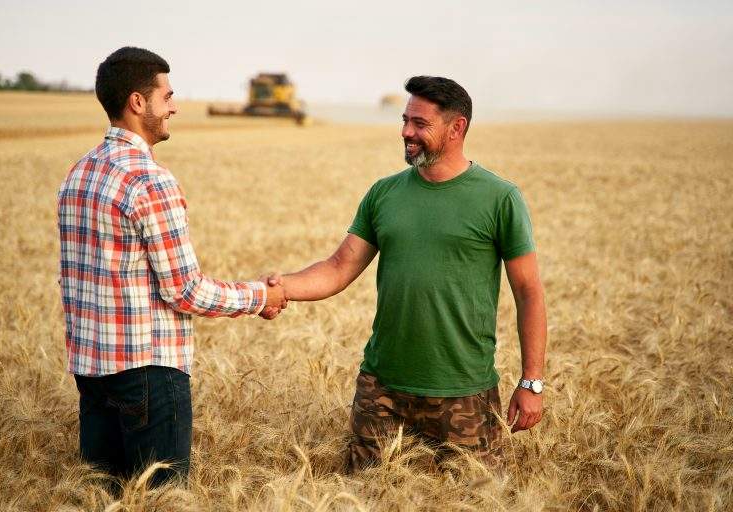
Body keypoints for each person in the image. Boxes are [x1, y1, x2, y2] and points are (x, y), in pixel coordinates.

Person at [264, 76, 547, 471]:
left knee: (472, 499)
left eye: (419, 124)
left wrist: (531, 382)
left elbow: (529, 291)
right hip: (381, 390)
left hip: (463, 392)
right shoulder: (384, 193)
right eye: (405, 120)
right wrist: (278, 289)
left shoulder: (499, 198)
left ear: (457, 128)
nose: (406, 132)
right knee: (364, 495)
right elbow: (338, 267)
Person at [57, 47, 286, 486]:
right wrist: (263, 296)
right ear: (137, 103)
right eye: (167, 96)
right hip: (147, 372)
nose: (174, 107)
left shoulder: (78, 172)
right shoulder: (148, 179)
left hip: (90, 371)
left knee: (102, 493)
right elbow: (186, 290)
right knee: (162, 497)